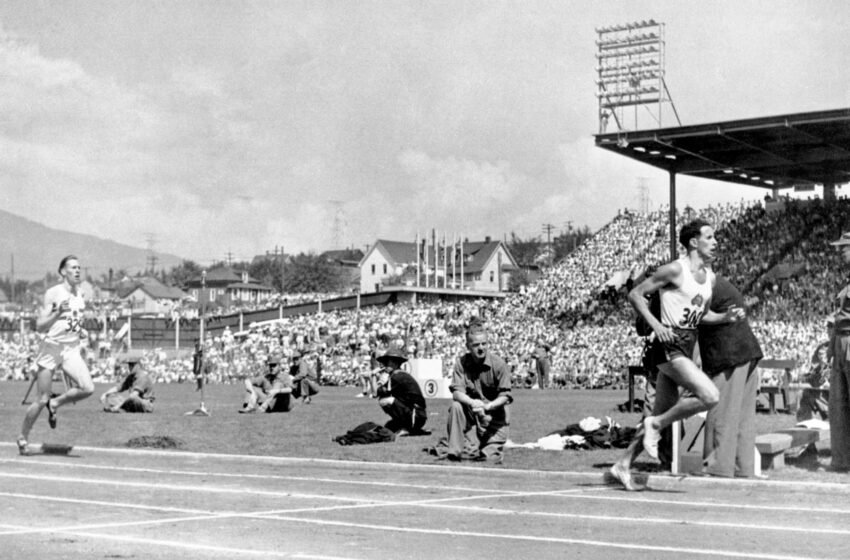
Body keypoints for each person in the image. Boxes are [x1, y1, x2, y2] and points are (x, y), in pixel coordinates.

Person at [607, 220, 744, 490]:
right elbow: (635, 295)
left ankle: (622, 464)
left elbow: (703, 315)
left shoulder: (710, 277)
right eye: (710, 237)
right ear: (694, 242)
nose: (715, 242)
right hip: (668, 345)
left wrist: (725, 316)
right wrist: (656, 325)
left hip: (687, 343)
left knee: (662, 411)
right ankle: (656, 425)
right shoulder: (674, 269)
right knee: (709, 396)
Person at [17, 255, 95, 455]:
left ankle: (56, 402)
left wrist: (80, 330)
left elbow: (75, 319)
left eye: (79, 267)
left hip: (71, 349)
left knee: (88, 388)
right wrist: (56, 313)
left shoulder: (82, 294)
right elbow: (40, 326)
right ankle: (23, 437)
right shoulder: (53, 293)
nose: (78, 271)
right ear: (63, 272)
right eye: (73, 268)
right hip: (51, 348)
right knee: (41, 398)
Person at [696, 275, 764, 478]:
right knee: (742, 418)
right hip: (746, 351)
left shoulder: (697, 281)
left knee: (721, 412)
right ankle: (742, 467)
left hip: (729, 354)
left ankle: (718, 467)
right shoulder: (717, 281)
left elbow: (695, 315)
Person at [431, 320, 513, 462]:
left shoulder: (499, 364)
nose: (481, 348)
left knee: (489, 457)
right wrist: (472, 402)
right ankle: (454, 452)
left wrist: (488, 406)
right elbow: (456, 393)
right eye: (476, 345)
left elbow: (505, 396)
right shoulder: (461, 363)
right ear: (468, 346)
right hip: (472, 414)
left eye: (484, 344)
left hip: (493, 419)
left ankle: (482, 444)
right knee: (456, 406)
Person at [828, 231, 850, 472]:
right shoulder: (846, 280)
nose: (840, 251)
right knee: (839, 404)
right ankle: (843, 459)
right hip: (841, 341)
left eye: (844, 247)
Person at [375, 346, 428, 436]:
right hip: (418, 415)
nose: (385, 365)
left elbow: (377, 392)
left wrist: (376, 378)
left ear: (395, 363)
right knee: (388, 428)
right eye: (385, 362)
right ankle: (404, 425)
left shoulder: (397, 376)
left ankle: (407, 427)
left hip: (416, 416)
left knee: (384, 400)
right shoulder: (399, 374)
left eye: (388, 362)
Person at [796, 340, 830, 422]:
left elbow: (821, 381)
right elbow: (810, 378)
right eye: (819, 354)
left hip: (829, 395)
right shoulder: (817, 368)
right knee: (801, 393)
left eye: (822, 353)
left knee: (804, 394)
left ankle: (804, 419)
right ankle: (803, 420)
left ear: (826, 355)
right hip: (818, 393)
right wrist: (800, 377)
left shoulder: (829, 367)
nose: (820, 356)